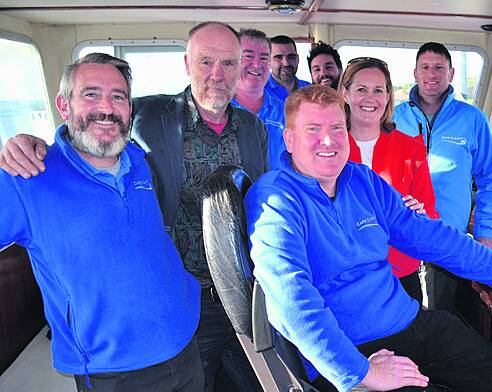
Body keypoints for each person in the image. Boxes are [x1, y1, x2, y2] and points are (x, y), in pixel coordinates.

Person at [0, 22, 267, 392]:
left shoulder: (139, 157)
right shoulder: (144, 119)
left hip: (211, 303)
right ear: (187, 64)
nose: (107, 109)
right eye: (206, 62)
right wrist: (18, 145)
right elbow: (89, 136)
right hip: (122, 354)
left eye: (228, 63)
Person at [245, 85, 492, 392]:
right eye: (313, 129)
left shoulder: (363, 180)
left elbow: (431, 236)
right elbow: (291, 299)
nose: (328, 140)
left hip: (408, 321)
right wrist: (364, 373)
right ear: (289, 138)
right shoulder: (275, 200)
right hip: (351, 349)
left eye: (337, 128)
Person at [0, 53, 203, 391]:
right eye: (91, 94)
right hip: (113, 368)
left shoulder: (139, 162)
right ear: (64, 106)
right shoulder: (26, 177)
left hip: (184, 342)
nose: (106, 108)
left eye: (118, 97)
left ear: (130, 110)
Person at [393, 42, 492, 311]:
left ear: (451, 73)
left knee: (443, 318)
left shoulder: (472, 118)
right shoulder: (395, 117)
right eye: (426, 68)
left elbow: (490, 178)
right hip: (401, 238)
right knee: (406, 319)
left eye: (439, 68)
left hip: (449, 242)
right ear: (415, 73)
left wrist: (486, 233)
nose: (432, 74)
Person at [337, 57, 438, 303]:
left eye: (378, 90)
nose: (370, 98)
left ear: (388, 96)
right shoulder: (329, 146)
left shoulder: (411, 148)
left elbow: (431, 216)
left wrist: (419, 213)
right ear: (345, 94)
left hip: (401, 277)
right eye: (361, 89)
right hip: (345, 278)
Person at [231, 29, 286, 170]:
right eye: (248, 56)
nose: (257, 65)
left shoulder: (287, 112)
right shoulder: (216, 112)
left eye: (263, 58)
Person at [265, 35, 310, 101]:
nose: (286, 63)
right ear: (268, 61)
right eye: (278, 57)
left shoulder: (310, 90)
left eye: (291, 57)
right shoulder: (257, 92)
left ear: (297, 59)